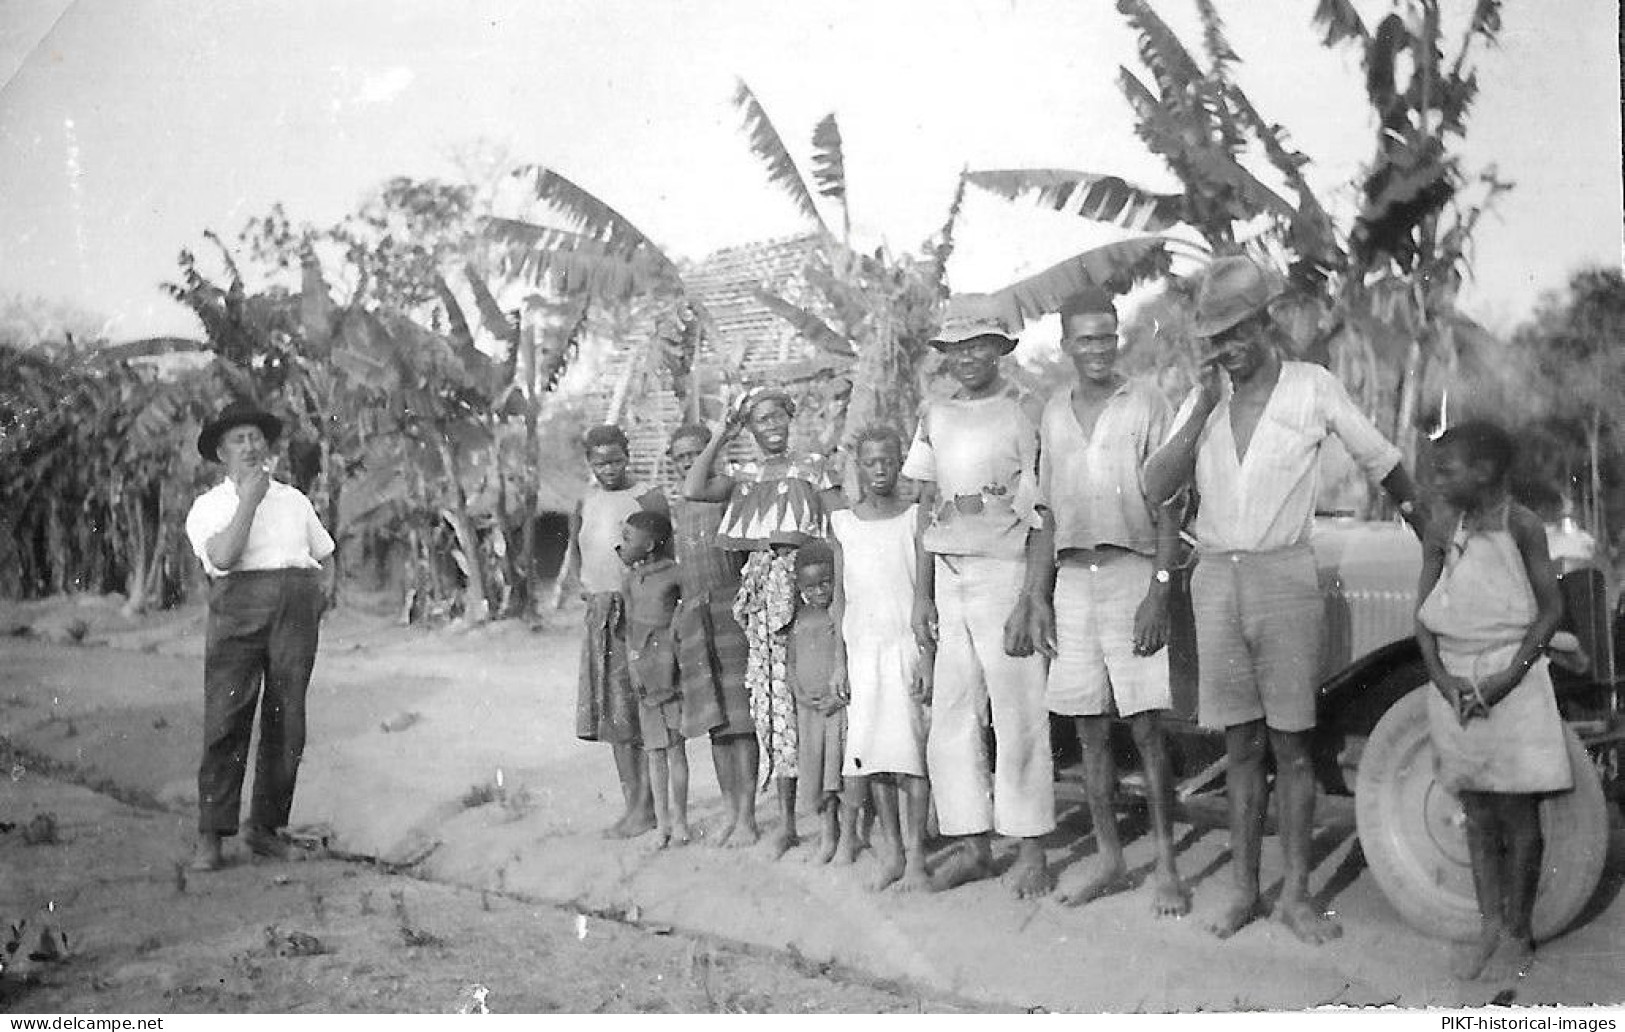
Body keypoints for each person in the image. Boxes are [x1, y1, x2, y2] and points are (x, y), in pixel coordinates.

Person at [1143, 257, 1426, 943]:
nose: (1225, 350)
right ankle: (1244, 890)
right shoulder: (1202, 399)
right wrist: (1204, 404)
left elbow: (1382, 462)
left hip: (1285, 576)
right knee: (1239, 746)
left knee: (1291, 745)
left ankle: (1296, 894)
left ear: (1265, 324)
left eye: (1236, 333)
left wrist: (1436, 540)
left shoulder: (1310, 388)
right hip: (1215, 578)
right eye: (1214, 339)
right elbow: (1155, 486)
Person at [1038, 288, 1187, 916]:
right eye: (1086, 338)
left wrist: (1159, 591)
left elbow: (1171, 507)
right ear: (1067, 343)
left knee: (1148, 729)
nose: (1098, 349)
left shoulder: (1146, 402)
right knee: (1089, 729)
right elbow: (1045, 515)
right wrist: (1036, 597)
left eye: (1108, 335)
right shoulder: (1051, 412)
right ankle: (1110, 859)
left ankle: (1169, 867)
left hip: (1132, 574)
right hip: (1073, 581)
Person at [905, 293, 1056, 899]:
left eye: (978, 345)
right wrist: (923, 596)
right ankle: (973, 844)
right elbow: (925, 507)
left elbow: (1044, 511)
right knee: (952, 713)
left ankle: (1033, 848)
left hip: (1005, 569)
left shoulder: (1025, 410)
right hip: (950, 572)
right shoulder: (934, 414)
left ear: (998, 348)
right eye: (955, 348)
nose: (967, 358)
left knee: (1019, 712)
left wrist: (1033, 594)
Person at [1415, 421, 1569, 980]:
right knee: (1478, 814)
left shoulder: (1524, 526)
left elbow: (1550, 611)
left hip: (1513, 681)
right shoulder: (1440, 526)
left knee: (1517, 813)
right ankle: (1488, 927)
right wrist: (1440, 678)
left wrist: (1508, 677)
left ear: (1484, 472)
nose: (1435, 478)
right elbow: (1423, 613)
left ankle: (1518, 932)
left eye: (1445, 469)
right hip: (1454, 684)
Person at [183, 400, 335, 871]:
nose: (249, 446)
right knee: (226, 718)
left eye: (254, 438)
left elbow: (324, 553)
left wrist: (316, 596)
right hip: (239, 606)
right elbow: (224, 557)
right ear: (221, 454)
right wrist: (249, 498)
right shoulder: (208, 507)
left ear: (266, 446)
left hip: (295, 607)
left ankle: (266, 829)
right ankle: (212, 834)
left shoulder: (294, 500)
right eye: (237, 440)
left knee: (287, 722)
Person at [684, 387, 833, 859]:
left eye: (776, 417)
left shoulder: (813, 466)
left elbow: (837, 525)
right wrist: (721, 435)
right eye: (759, 421)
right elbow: (693, 487)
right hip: (762, 601)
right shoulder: (743, 477)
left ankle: (833, 826)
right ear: (748, 429)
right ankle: (786, 823)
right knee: (775, 712)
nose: (770, 426)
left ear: (789, 419)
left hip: (810, 593)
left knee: (820, 698)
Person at [829, 425, 930, 891]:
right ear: (859, 466)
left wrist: (925, 658)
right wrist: (838, 661)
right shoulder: (843, 524)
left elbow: (924, 599)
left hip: (903, 647)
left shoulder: (915, 519)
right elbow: (838, 600)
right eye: (870, 462)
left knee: (911, 755)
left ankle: (916, 859)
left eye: (888, 460)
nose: (880, 470)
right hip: (861, 650)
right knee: (875, 757)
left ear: (900, 463)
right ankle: (890, 851)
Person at [562, 424, 668, 839]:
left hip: (639, 612)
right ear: (589, 463)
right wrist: (585, 590)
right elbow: (576, 548)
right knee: (614, 715)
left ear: (629, 455)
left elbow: (665, 557)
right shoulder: (584, 500)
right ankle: (634, 806)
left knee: (641, 711)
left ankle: (653, 807)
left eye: (616, 459)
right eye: (600, 462)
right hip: (600, 613)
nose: (609, 469)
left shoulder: (647, 497)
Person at [665, 424, 758, 847]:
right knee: (716, 721)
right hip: (695, 613)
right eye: (681, 456)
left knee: (742, 719)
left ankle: (749, 816)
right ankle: (729, 809)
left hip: (730, 608)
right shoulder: (675, 507)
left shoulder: (728, 490)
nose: (689, 461)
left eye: (696, 453)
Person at [619, 509, 691, 850]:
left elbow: (684, 617)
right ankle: (661, 823)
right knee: (654, 751)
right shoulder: (631, 581)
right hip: (644, 673)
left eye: (628, 539)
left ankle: (680, 821)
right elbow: (631, 629)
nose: (621, 546)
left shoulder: (675, 575)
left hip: (670, 671)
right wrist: (634, 667)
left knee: (676, 749)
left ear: (648, 545)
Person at [785, 542, 856, 864]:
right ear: (799, 587)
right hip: (809, 713)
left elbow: (852, 661)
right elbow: (791, 661)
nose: (818, 592)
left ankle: (848, 837)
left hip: (836, 709)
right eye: (810, 586)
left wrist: (839, 697)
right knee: (817, 774)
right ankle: (828, 834)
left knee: (839, 775)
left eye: (825, 582)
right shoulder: (800, 617)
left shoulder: (841, 615)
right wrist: (798, 692)